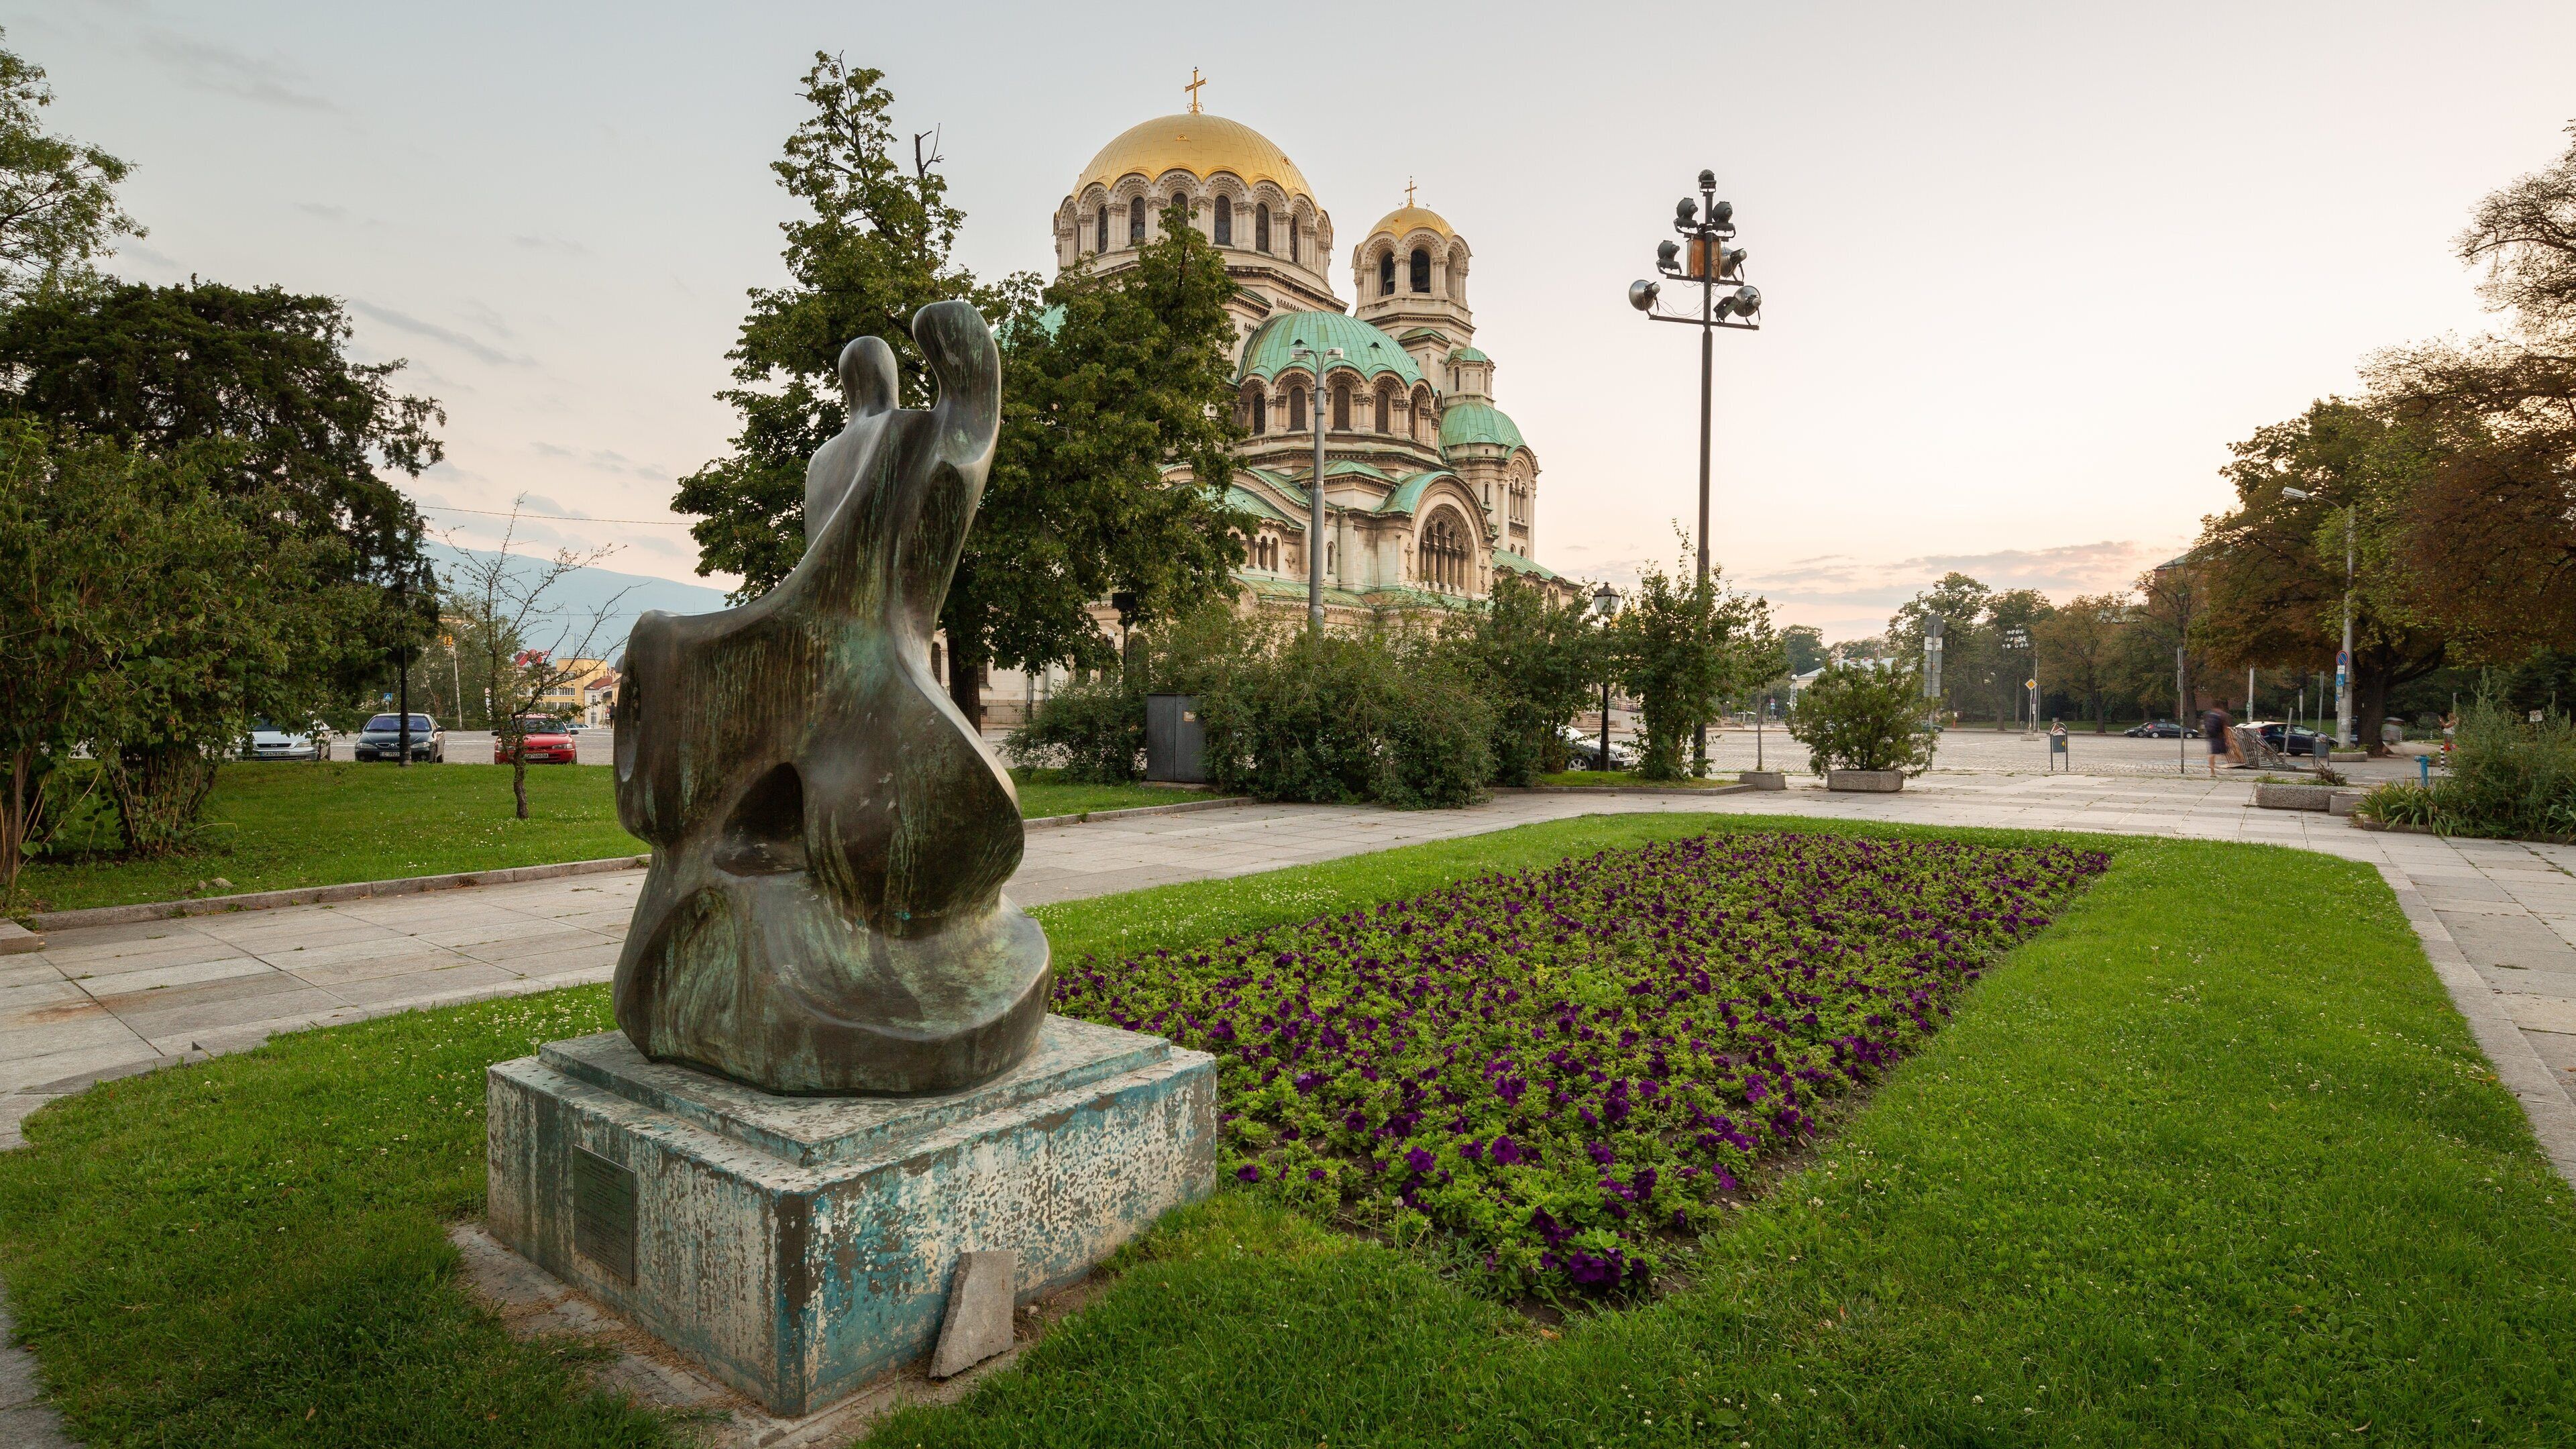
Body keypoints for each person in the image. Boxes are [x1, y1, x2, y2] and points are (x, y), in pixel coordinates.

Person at [2202, 702, 2234, 776]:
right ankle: (2233, 765)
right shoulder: (2223, 715)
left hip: (2211, 736)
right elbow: (2225, 728)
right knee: (2226, 752)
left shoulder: (2208, 714)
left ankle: (2212, 772)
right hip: (2220, 736)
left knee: (2212, 753)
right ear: (2221, 707)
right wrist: (2228, 739)